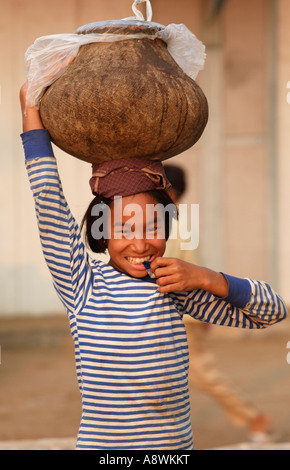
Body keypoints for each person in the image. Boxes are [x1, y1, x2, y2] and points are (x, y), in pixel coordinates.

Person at [20, 82, 287, 450]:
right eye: (124, 228)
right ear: (101, 230)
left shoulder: (174, 288)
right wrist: (31, 112)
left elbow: (272, 312)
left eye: (153, 226)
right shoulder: (82, 284)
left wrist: (208, 278)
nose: (141, 242)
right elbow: (48, 200)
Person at [164, 164, 272, 444]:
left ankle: (254, 417)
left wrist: (204, 315)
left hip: (181, 319)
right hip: (159, 316)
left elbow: (195, 272)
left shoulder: (178, 226)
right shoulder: (160, 222)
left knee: (204, 375)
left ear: (170, 192)